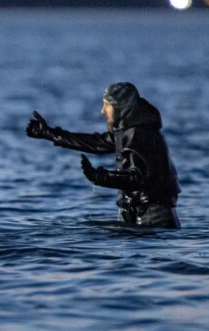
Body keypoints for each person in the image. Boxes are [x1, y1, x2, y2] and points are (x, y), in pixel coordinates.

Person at [26, 82, 181, 228]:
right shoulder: (131, 130)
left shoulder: (138, 134)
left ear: (121, 107)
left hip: (152, 219)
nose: (102, 110)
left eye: (107, 105)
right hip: (147, 217)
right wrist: (50, 134)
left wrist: (100, 177)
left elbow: (137, 179)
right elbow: (96, 143)